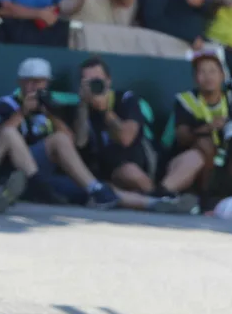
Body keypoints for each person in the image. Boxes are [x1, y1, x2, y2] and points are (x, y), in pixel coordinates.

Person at [0, 57, 121, 209]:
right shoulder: (6, 104)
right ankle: (38, 187)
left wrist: (50, 114)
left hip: (44, 174)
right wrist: (22, 112)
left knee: (88, 187)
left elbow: (70, 142)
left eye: (38, 82)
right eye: (28, 81)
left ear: (46, 83)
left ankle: (100, 190)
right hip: (10, 171)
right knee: (12, 133)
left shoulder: (50, 105)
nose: (33, 87)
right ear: (20, 82)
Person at [71, 57, 197, 213]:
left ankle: (162, 195)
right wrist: (83, 105)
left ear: (108, 81)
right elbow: (80, 142)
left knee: (193, 157)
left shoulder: (125, 99)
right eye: (88, 82)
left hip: (150, 165)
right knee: (125, 173)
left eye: (98, 81)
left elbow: (126, 138)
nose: (94, 86)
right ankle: (165, 200)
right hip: (116, 173)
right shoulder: (82, 108)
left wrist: (104, 111)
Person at [165, 52, 232, 204]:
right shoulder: (186, 100)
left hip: (228, 156)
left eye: (212, 71)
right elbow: (182, 137)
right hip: (193, 159)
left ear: (222, 75)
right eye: (202, 72)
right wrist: (207, 128)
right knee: (205, 144)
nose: (208, 77)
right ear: (195, 78)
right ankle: (205, 198)